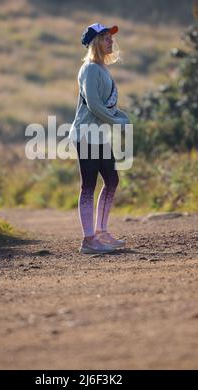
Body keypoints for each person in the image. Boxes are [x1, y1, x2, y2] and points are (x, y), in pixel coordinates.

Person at [69, 23, 130, 254]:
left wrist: (123, 117)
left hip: (99, 135)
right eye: (105, 37)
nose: (110, 41)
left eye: (110, 37)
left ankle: (101, 233)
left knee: (112, 180)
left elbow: (106, 106)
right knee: (88, 186)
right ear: (95, 42)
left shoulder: (101, 68)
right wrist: (117, 122)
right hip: (86, 134)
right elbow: (94, 105)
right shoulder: (90, 69)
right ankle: (88, 240)